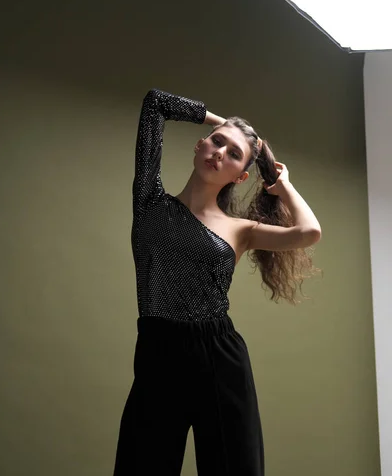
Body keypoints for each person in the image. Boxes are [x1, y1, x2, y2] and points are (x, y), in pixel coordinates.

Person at [112, 88, 321, 476]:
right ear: (200, 145)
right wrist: (224, 122)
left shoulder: (240, 230)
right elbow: (156, 103)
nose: (220, 152)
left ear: (240, 175)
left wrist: (282, 184)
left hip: (219, 357)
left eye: (234, 153)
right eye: (217, 142)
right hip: (158, 355)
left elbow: (309, 232)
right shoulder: (150, 201)